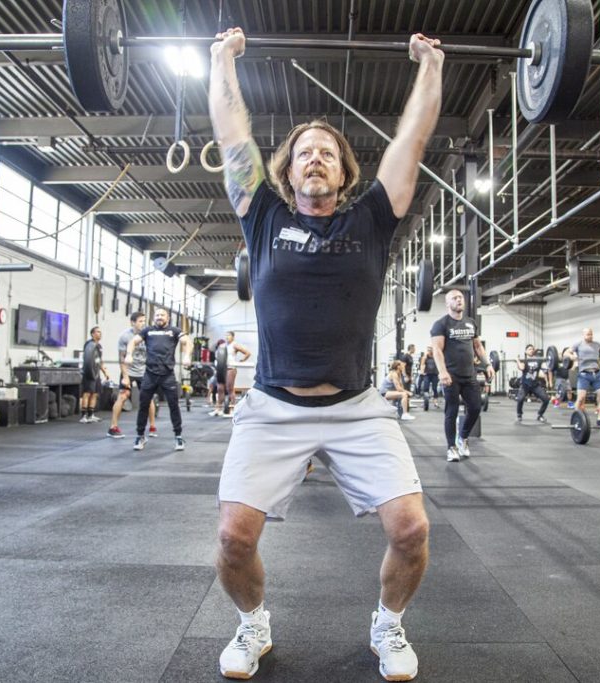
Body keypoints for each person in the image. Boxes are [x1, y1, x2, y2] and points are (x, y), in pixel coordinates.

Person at [209, 26, 443, 682]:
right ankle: (253, 621)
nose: (315, 158)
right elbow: (232, 134)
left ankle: (388, 625)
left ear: (344, 173)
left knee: (412, 530)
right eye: (304, 152)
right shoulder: (261, 218)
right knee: (233, 538)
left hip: (358, 406)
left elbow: (412, 140)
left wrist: (429, 65)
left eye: (328, 154)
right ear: (285, 171)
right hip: (271, 405)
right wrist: (221, 60)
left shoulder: (370, 219)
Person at [431, 289, 495, 463]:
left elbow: (478, 346)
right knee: (451, 411)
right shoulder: (441, 324)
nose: (459, 300)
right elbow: (437, 350)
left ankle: (463, 437)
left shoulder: (470, 323)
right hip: (450, 376)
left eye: (460, 297)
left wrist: (488, 364)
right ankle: (451, 447)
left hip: (469, 375)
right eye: (454, 298)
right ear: (447, 304)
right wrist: (442, 372)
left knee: (475, 408)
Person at [130, 307, 190, 452]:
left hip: (167, 374)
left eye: (162, 315)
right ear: (154, 317)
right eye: (157, 315)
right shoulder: (147, 331)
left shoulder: (174, 331)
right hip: (150, 374)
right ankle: (140, 435)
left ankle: (178, 436)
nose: (159, 317)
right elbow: (133, 341)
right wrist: (128, 355)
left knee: (173, 406)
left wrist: (187, 355)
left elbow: (187, 341)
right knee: (143, 405)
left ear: (167, 318)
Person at [564, 328, 600, 427]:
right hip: (584, 375)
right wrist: (571, 356)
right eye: (588, 334)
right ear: (583, 335)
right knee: (580, 399)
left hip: (596, 374)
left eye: (591, 334)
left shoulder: (597, 344)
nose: (590, 336)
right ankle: (575, 418)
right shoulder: (578, 344)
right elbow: (565, 353)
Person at [107, 311, 146, 438]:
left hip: (143, 372)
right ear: (133, 322)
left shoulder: (147, 335)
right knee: (123, 396)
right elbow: (122, 358)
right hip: (128, 371)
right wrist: (125, 377)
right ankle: (113, 427)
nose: (143, 324)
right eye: (140, 321)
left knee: (148, 398)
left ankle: (151, 427)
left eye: (144, 321)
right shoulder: (125, 336)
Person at [80, 326, 110, 423]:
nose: (99, 334)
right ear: (92, 334)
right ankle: (83, 416)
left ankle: (91, 415)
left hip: (96, 373)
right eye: (97, 332)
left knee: (95, 394)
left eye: (100, 332)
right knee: (87, 393)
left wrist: (105, 372)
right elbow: (88, 360)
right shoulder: (89, 345)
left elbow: (99, 361)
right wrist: (89, 372)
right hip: (89, 373)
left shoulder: (99, 346)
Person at [515, 344, 550, 423]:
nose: (531, 350)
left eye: (532, 349)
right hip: (525, 385)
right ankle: (519, 415)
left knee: (546, 399)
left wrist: (550, 361)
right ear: (526, 351)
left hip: (535, 385)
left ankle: (540, 415)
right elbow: (522, 368)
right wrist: (517, 360)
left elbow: (545, 369)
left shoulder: (538, 360)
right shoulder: (524, 360)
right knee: (520, 399)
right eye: (529, 349)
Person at [223, 331, 252, 415]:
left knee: (230, 389)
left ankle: (233, 409)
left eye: (228, 335)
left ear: (233, 337)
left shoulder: (235, 345)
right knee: (224, 388)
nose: (226, 337)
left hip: (231, 369)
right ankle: (223, 408)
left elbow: (248, 353)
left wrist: (242, 360)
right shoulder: (225, 346)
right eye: (226, 335)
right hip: (224, 368)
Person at [209, 338, 229, 416]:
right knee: (219, 389)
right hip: (219, 371)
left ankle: (231, 409)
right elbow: (211, 348)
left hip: (228, 370)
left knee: (229, 390)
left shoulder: (231, 347)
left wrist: (242, 360)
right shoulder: (217, 352)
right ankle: (218, 409)